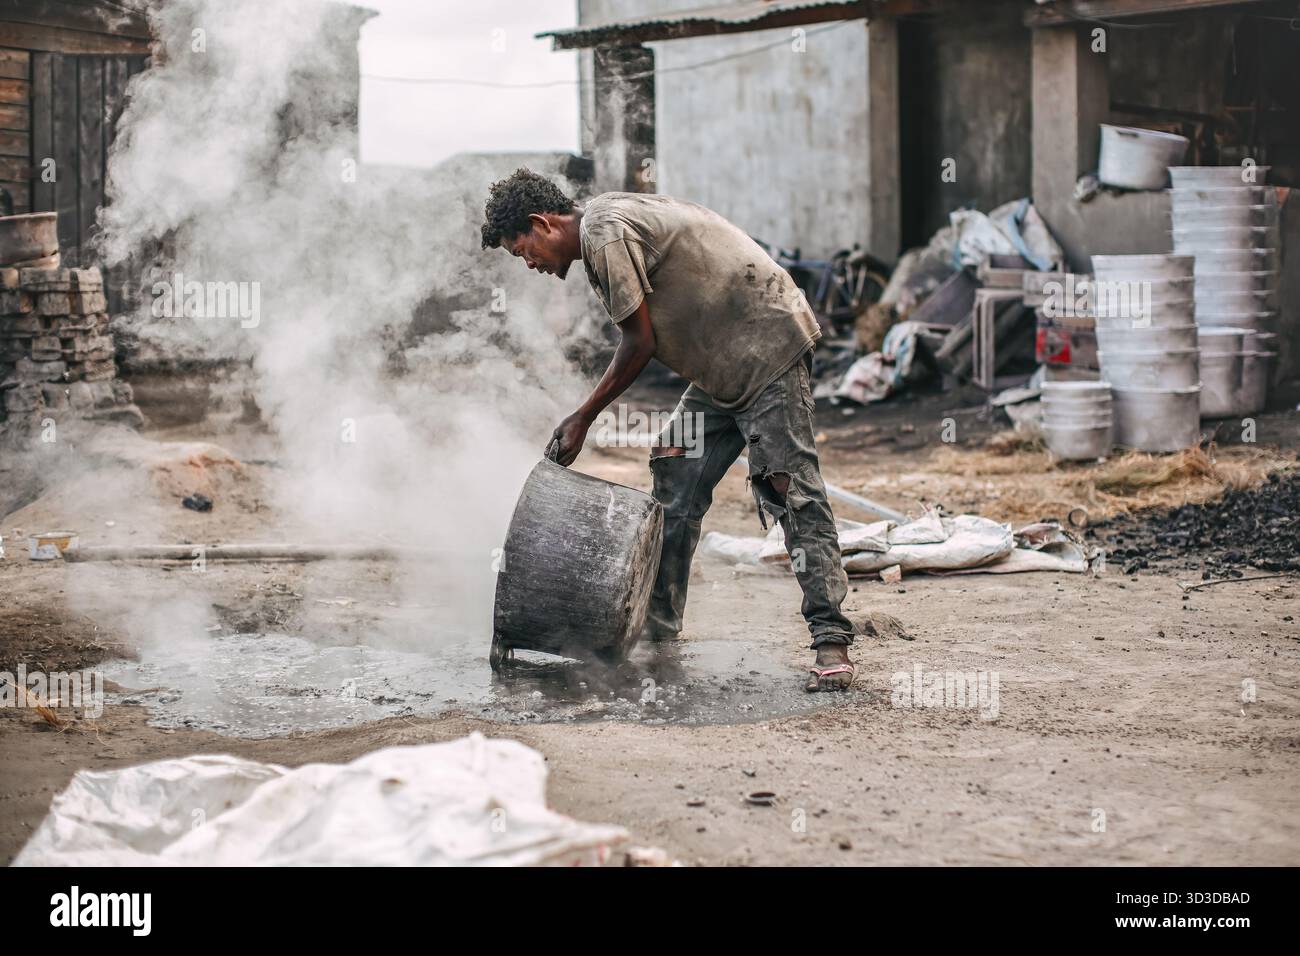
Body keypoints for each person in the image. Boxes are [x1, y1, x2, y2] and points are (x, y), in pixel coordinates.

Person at [481, 168, 856, 691]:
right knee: (676, 468)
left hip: (766, 348)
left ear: (542, 223)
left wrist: (582, 417)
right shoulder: (601, 227)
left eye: (523, 250)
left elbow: (640, 344)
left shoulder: (604, 232)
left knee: (790, 488)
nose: (530, 264)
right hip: (720, 369)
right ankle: (658, 629)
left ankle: (830, 643)